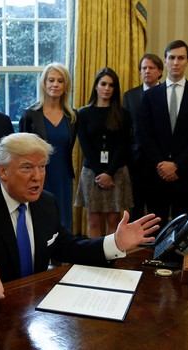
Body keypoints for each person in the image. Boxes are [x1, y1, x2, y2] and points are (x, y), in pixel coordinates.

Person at [0, 132, 161, 304]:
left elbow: (67, 247)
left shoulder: (46, 202)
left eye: (42, 167)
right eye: (27, 167)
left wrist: (115, 242)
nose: (37, 176)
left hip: (36, 306)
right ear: (3, 171)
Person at [138, 40, 188, 228]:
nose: (176, 62)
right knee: (156, 230)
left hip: (186, 176)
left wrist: (176, 165)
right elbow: (145, 135)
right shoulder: (150, 96)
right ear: (165, 61)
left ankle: (180, 259)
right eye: (171, 58)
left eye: (181, 58)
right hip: (156, 175)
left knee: (183, 232)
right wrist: (163, 165)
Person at [75, 67, 134, 238]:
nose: (107, 88)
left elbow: (124, 145)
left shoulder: (123, 114)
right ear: (96, 86)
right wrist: (100, 173)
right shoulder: (83, 113)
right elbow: (85, 146)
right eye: (103, 84)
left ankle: (110, 260)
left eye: (111, 85)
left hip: (117, 172)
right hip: (92, 172)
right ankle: (95, 259)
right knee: (93, 220)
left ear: (115, 89)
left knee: (114, 221)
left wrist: (109, 173)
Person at [19, 62, 77, 230]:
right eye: (51, 80)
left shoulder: (72, 117)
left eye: (60, 81)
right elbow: (22, 151)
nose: (55, 84)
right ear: (44, 83)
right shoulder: (30, 114)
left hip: (63, 176)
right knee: (40, 221)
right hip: (37, 176)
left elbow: (69, 146)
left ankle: (62, 255)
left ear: (66, 85)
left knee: (63, 221)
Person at [123, 54, 164, 219]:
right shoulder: (130, 96)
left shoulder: (166, 94)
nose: (147, 71)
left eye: (151, 68)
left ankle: (156, 244)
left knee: (157, 208)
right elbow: (125, 130)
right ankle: (135, 245)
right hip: (136, 161)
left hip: (159, 161)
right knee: (135, 208)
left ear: (160, 71)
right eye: (144, 68)